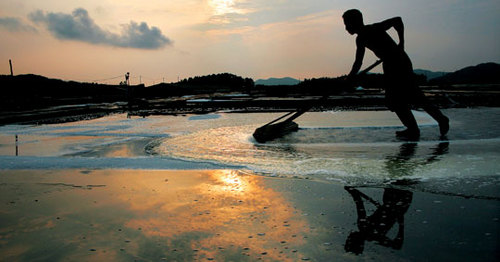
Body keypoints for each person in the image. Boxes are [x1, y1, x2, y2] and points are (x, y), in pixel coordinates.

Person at [343, 9, 449, 140]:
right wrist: (350, 77)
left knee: (412, 96)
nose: (346, 28)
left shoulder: (374, 28)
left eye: (347, 24)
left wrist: (401, 42)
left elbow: (397, 20)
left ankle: (433, 122)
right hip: (389, 65)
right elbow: (358, 62)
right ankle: (415, 128)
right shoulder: (360, 39)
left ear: (355, 22)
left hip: (399, 62)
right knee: (395, 100)